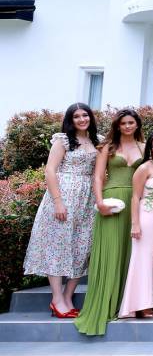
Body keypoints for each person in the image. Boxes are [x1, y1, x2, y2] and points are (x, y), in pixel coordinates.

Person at [24, 103, 100, 318]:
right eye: (77, 116)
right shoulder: (63, 140)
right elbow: (50, 170)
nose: (82, 119)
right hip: (64, 195)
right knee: (58, 245)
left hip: (87, 199)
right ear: (70, 119)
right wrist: (58, 201)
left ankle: (68, 296)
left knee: (82, 246)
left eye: (85, 115)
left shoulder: (98, 140)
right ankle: (57, 299)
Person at [75, 109, 145, 336]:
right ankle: (106, 302)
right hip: (112, 202)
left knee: (132, 253)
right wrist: (100, 202)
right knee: (111, 252)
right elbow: (97, 176)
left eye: (131, 122)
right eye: (123, 123)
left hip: (139, 204)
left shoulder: (145, 147)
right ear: (117, 125)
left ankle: (129, 304)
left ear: (137, 124)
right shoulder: (108, 147)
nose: (127, 126)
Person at [118, 132, 153, 319]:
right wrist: (135, 224)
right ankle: (140, 305)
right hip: (147, 218)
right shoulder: (144, 168)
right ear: (150, 148)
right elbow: (135, 197)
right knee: (144, 260)